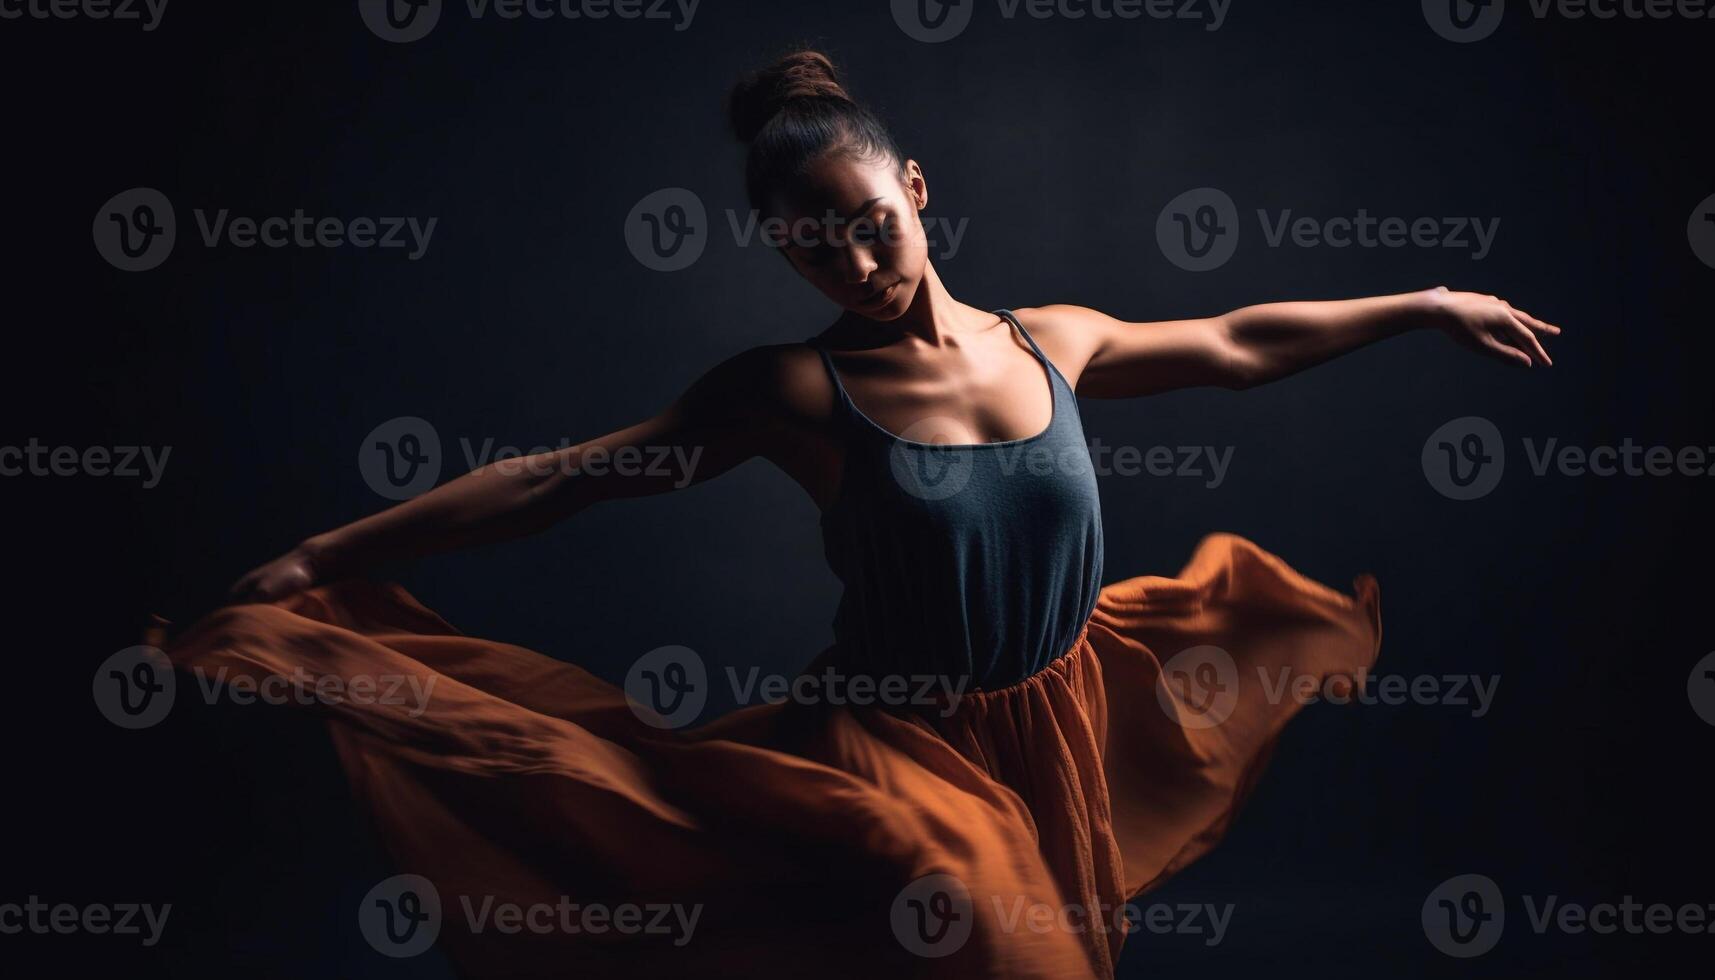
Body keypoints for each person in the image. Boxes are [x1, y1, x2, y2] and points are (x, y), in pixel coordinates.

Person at [166, 48, 1558, 979]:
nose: (851, 256)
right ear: (780, 244)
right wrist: (318, 555)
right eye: (809, 238)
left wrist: (1428, 306)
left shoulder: (1053, 341)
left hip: (1059, 715)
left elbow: (1246, 338)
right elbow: (556, 479)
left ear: (915, 187)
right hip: (895, 736)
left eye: (866, 218)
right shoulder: (789, 390)